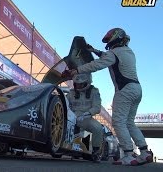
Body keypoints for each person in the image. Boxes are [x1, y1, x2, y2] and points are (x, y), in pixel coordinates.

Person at [63, 28, 152, 165]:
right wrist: (95, 51)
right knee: (129, 122)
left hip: (124, 90)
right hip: (137, 89)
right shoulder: (128, 52)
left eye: (109, 38)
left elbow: (98, 64)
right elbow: (109, 57)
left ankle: (128, 154)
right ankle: (145, 152)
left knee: (118, 122)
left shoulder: (113, 53)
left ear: (116, 37)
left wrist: (77, 70)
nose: (108, 41)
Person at [67, 73, 103, 163]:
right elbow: (66, 104)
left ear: (87, 82)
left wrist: (88, 113)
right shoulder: (71, 92)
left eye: (81, 84)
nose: (78, 86)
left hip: (86, 117)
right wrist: (70, 114)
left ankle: (96, 151)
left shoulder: (94, 91)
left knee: (98, 128)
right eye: (76, 84)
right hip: (72, 116)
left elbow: (97, 107)